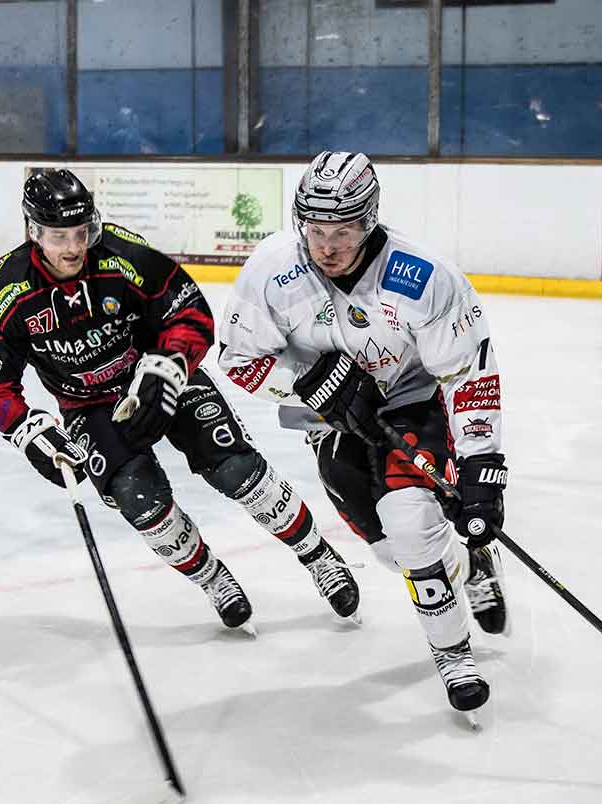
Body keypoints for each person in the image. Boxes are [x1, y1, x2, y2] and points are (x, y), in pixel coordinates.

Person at [0, 168, 359, 631]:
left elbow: (189, 310)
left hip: (160, 374)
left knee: (235, 466)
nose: (73, 247)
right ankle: (213, 580)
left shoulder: (122, 255)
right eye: (59, 236)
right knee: (138, 498)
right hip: (88, 408)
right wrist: (27, 429)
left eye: (80, 232)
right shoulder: (7, 291)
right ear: (33, 232)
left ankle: (317, 556)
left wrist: (169, 363)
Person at [217, 151, 510, 719]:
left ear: (369, 220)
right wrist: (304, 386)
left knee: (414, 531)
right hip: (330, 427)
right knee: (388, 553)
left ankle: (453, 655)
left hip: (411, 407)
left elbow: (470, 374)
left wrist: (480, 466)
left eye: (344, 231)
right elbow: (237, 360)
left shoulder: (422, 276)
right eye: (316, 230)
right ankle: (473, 567)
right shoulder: (273, 268)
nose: (327, 246)